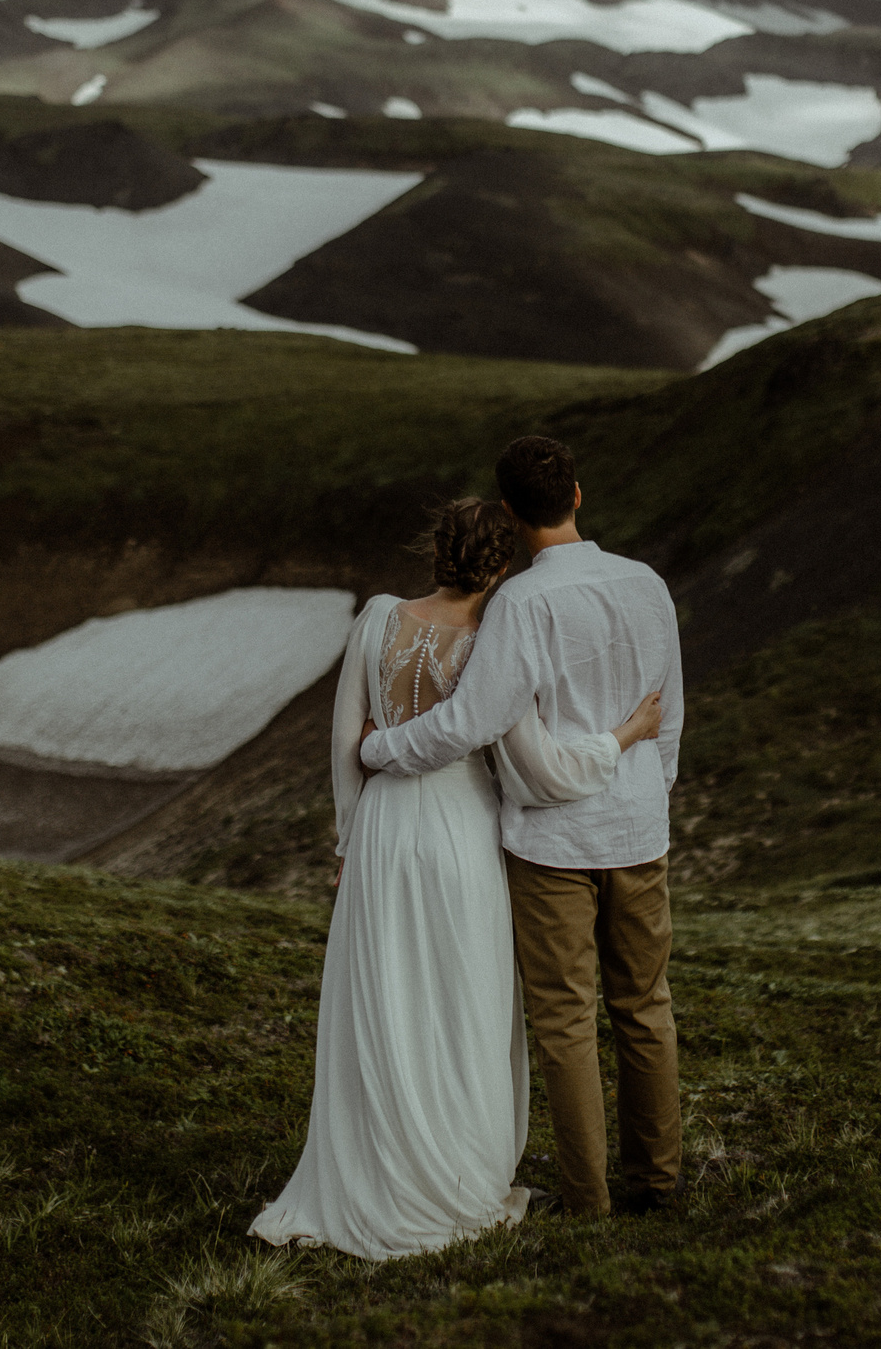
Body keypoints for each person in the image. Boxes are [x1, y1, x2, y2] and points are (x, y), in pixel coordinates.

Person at [250, 498, 664, 1262]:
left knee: (382, 997)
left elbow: (348, 743)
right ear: (501, 567)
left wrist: (349, 840)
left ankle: (370, 1166)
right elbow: (538, 767)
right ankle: (450, 1175)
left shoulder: (376, 618)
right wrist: (621, 739)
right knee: (462, 1004)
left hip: (381, 832)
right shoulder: (492, 643)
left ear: (438, 550)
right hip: (460, 834)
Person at [359, 436, 686, 1218]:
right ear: (578, 492)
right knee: (645, 1004)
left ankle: (587, 1196)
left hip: (552, 844)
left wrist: (379, 747)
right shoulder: (647, 584)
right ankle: (659, 1180)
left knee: (566, 1019)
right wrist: (649, 794)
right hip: (639, 832)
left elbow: (470, 720)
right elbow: (668, 714)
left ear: (511, 512)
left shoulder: (522, 602)